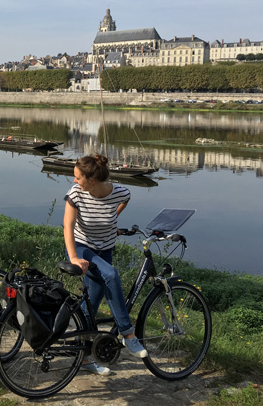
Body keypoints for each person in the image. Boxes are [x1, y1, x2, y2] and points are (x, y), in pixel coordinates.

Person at [63, 154, 148, 376]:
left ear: (91, 180)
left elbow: (124, 201)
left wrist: (112, 219)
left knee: (91, 304)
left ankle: (83, 356)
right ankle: (128, 334)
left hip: (105, 249)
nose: (74, 181)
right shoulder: (76, 195)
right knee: (110, 274)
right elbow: (68, 227)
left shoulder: (120, 192)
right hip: (81, 248)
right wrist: (73, 257)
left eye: (77, 177)